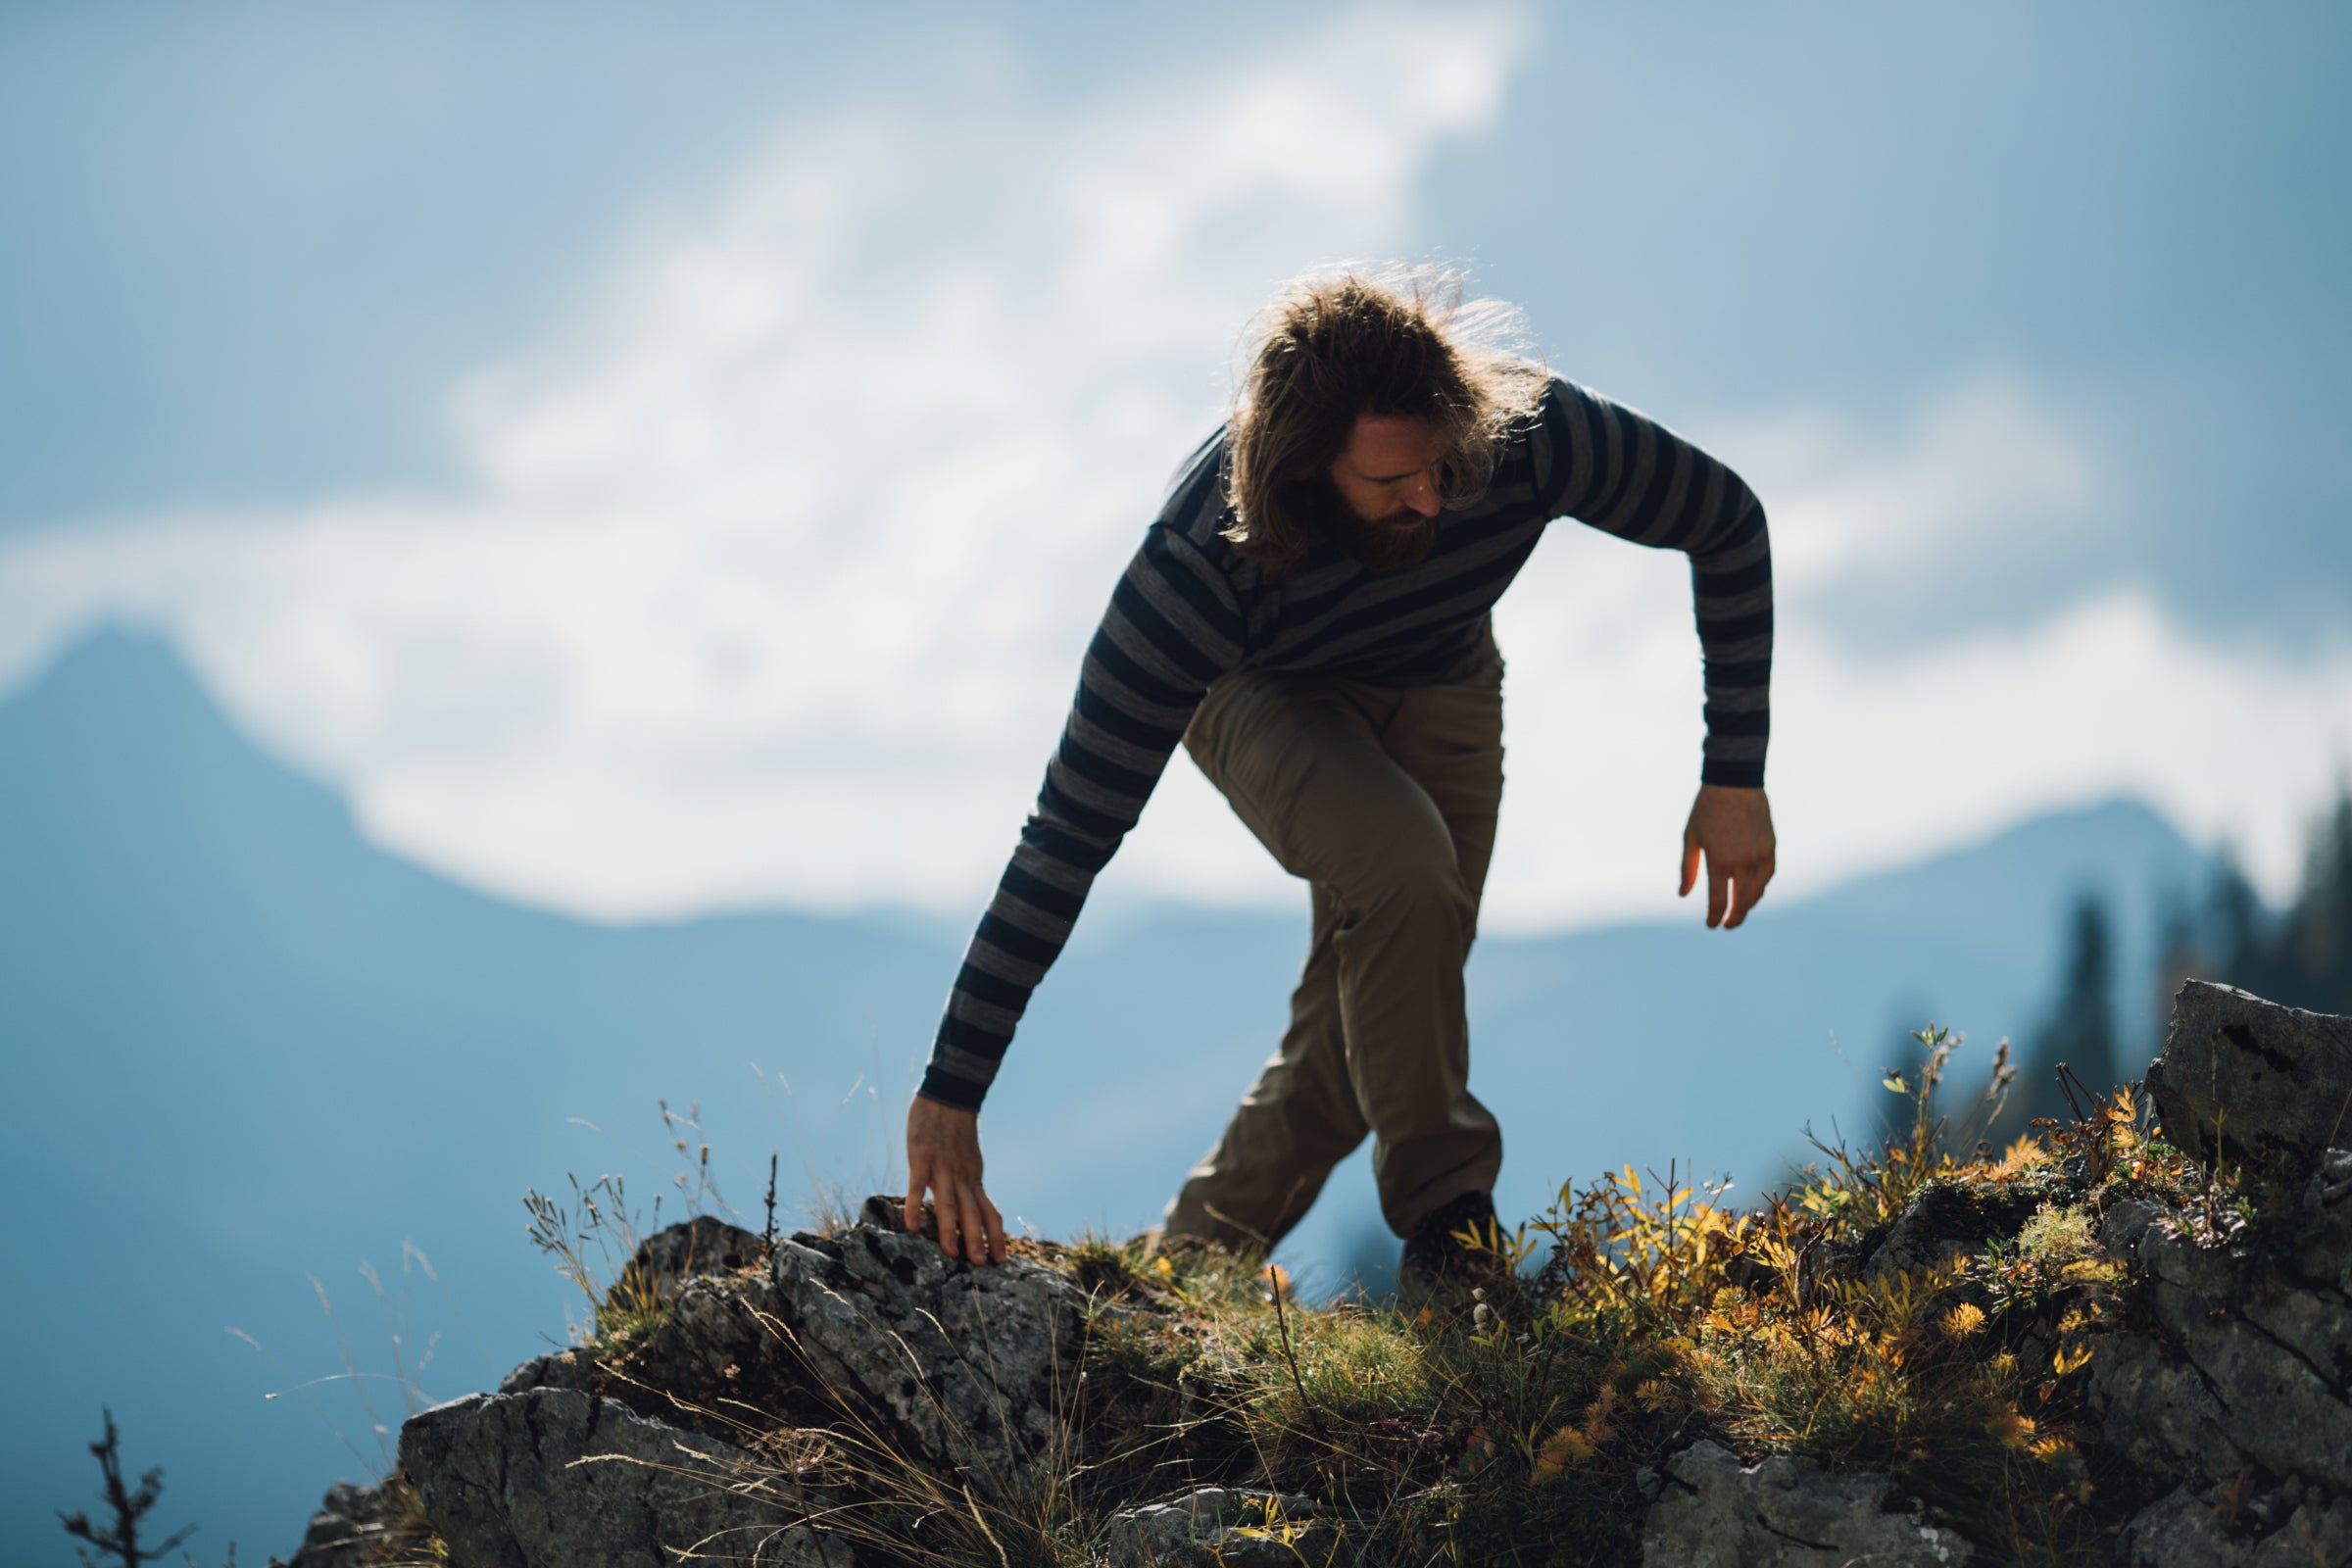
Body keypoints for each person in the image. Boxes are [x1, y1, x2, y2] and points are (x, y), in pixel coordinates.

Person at [902, 267, 1776, 1283]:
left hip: (1444, 669)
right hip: (1260, 692)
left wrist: (1734, 775)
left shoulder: (1532, 434)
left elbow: (1726, 520)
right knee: (1404, 866)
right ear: (1307, 467)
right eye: (1393, 482)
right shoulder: (1193, 572)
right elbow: (1065, 837)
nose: (1433, 498)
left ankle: (1185, 1269)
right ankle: (1454, 1228)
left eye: (1443, 465)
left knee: (1384, 1010)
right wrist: (950, 1093)